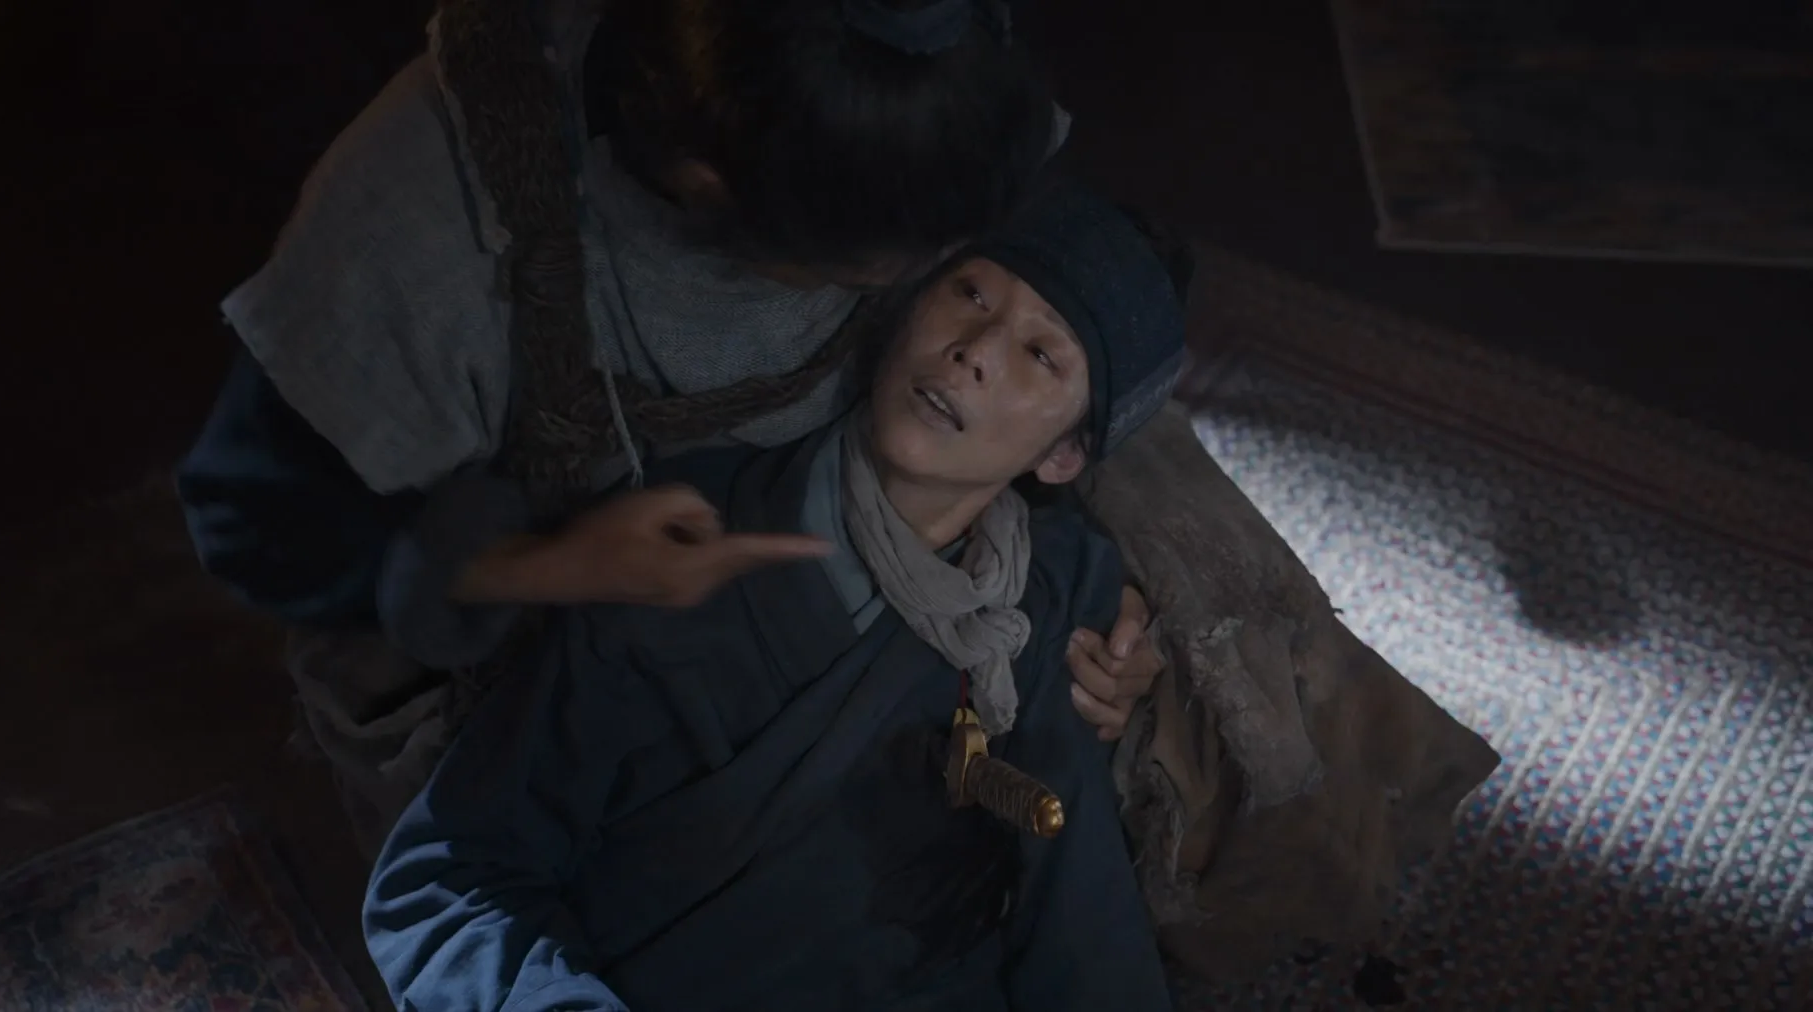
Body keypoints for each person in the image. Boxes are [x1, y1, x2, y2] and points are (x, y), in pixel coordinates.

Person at [176, 0, 1164, 858]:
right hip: (513, 652)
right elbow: (254, 526)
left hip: (845, 570)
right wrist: (541, 565)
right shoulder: (416, 238)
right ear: (705, 189)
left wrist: (1094, 598)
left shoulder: (945, 72)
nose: (958, 311)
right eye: (910, 269)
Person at [364, 183, 1185, 1012]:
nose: (974, 350)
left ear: (1063, 458)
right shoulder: (679, 550)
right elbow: (449, 879)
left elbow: (1078, 906)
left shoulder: (1048, 592)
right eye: (970, 294)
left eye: (1041, 355)